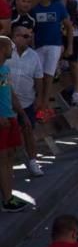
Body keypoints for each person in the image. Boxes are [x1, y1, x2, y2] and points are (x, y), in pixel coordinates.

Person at [0, 34, 30, 211]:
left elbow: (9, 93)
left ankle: (9, 193)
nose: (12, 49)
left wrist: (22, 114)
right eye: (9, 47)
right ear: (2, 48)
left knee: (10, 155)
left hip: (10, 115)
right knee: (3, 157)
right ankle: (7, 199)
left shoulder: (4, 70)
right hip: (1, 118)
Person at [9, 25, 44, 177]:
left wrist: (39, 98)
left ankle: (33, 162)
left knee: (29, 131)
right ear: (15, 37)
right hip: (6, 102)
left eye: (29, 36)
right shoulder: (6, 52)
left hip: (27, 101)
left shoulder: (34, 56)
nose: (28, 39)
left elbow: (39, 79)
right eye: (24, 36)